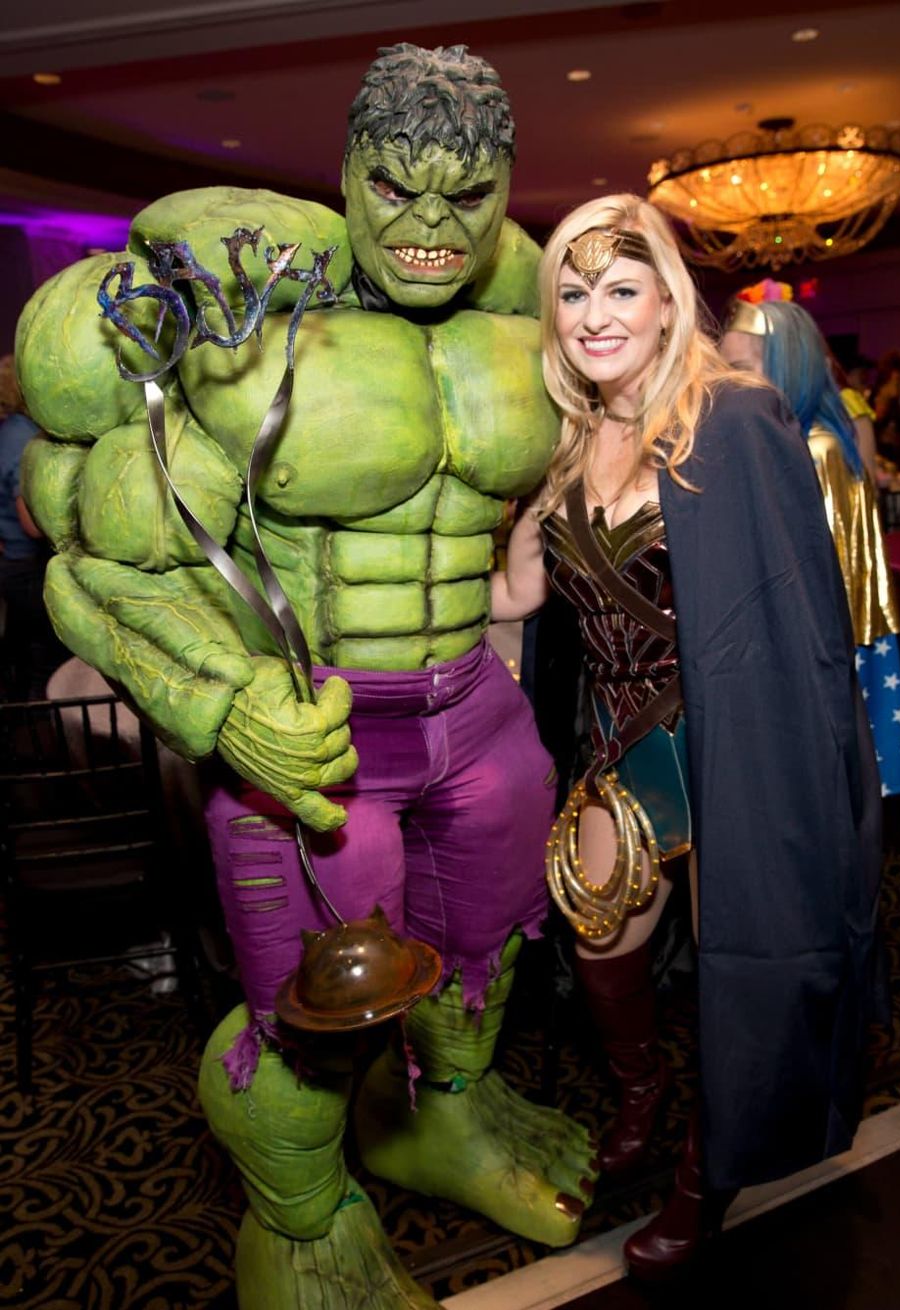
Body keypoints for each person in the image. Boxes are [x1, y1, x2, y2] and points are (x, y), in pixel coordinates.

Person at [15, 43, 595, 1310]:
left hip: (479, 709)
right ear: (344, 173)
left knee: (483, 950)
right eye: (395, 188)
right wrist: (225, 704)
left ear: (505, 185)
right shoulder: (251, 321)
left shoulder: (532, 310)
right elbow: (94, 564)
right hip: (320, 736)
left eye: (468, 194)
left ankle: (443, 1119)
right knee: (310, 1010)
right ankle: (300, 1222)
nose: (433, 227)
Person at [493, 194, 882, 1279]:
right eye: (574, 293)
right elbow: (518, 594)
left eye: (621, 289)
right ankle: (643, 1094)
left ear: (667, 300)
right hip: (618, 741)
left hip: (737, 742)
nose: (595, 315)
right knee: (597, 939)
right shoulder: (567, 439)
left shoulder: (734, 417)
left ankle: (710, 1171)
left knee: (742, 960)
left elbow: (798, 614)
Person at [720, 293, 900, 797]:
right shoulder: (784, 437)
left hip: (817, 648)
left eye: (739, 370)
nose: (724, 385)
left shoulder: (816, 448)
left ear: (787, 367)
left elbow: (810, 575)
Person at [0, 355, 65, 699]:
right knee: (47, 661)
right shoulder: (25, 439)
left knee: (20, 655)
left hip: (11, 564)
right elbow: (32, 526)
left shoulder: (8, 431)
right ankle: (44, 725)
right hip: (28, 568)